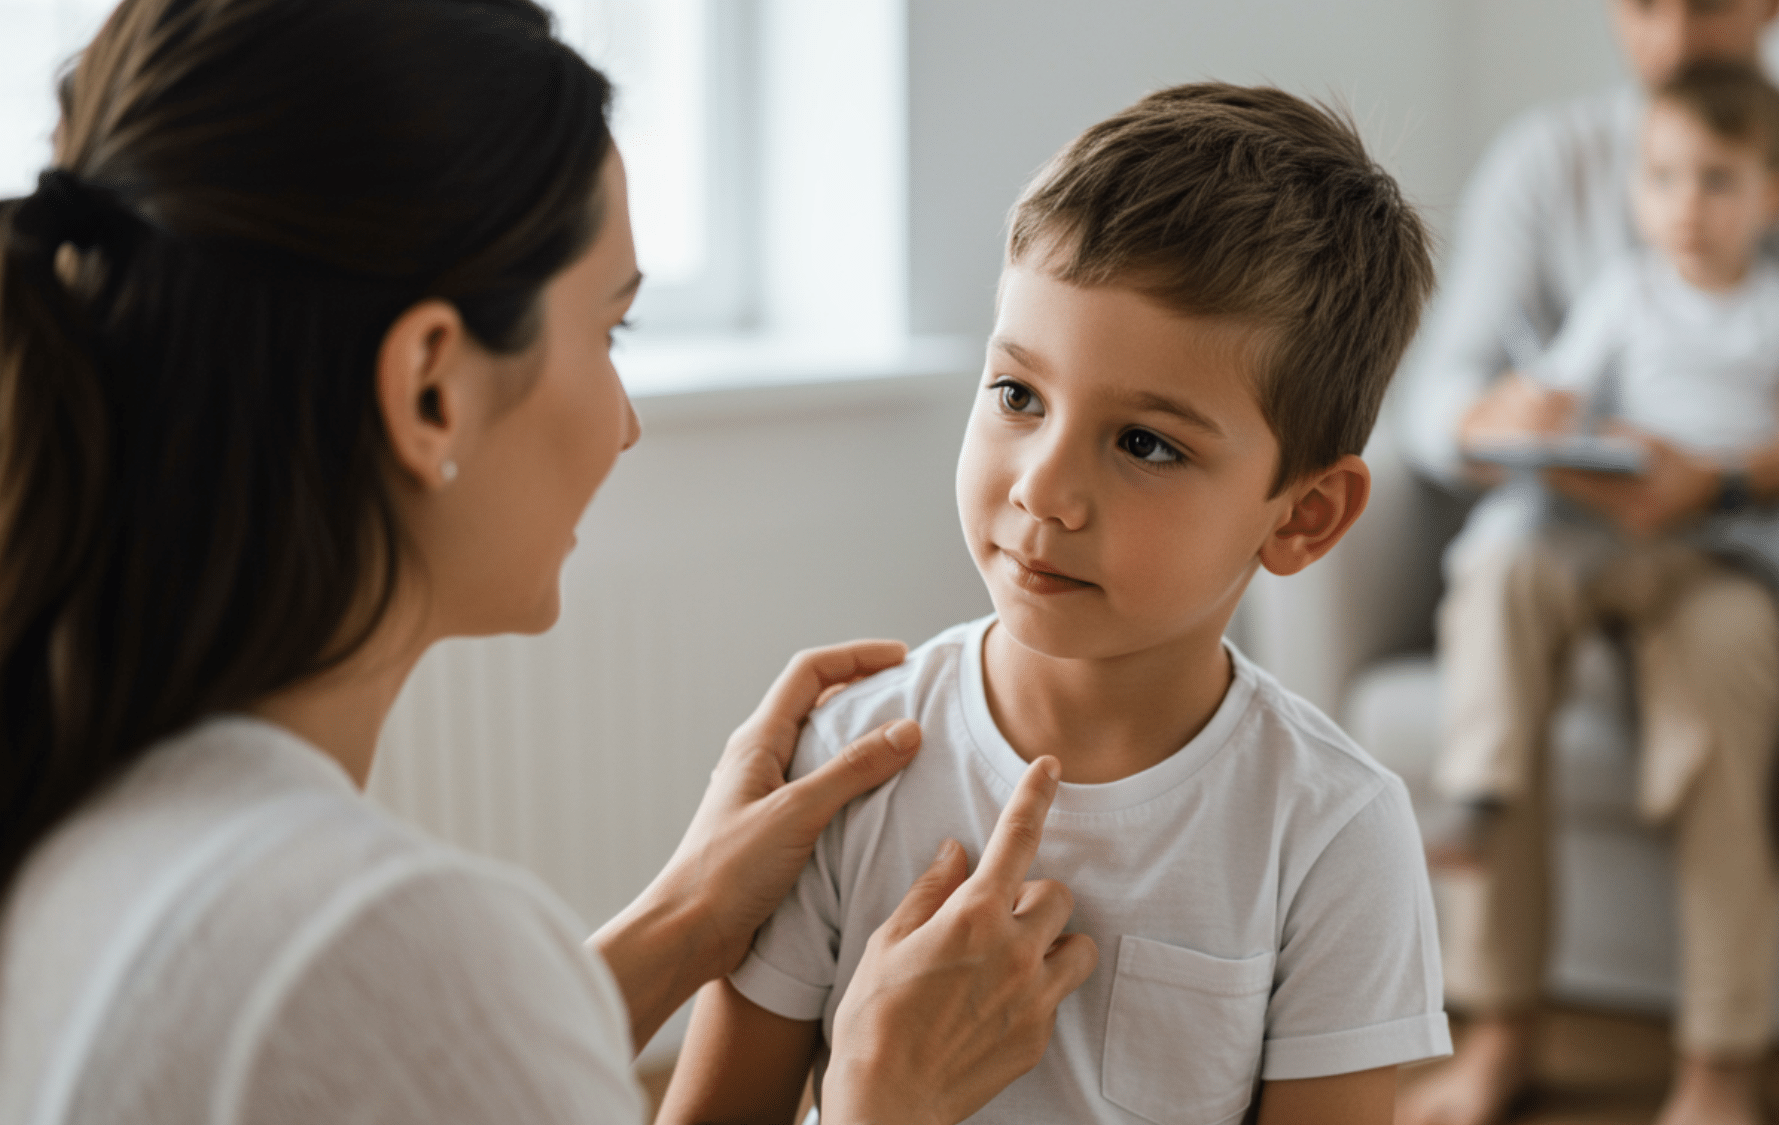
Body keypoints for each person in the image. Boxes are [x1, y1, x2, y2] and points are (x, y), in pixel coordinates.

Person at [0, 2, 1095, 1122]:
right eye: (609, 330)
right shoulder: (367, 948)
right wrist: (879, 1099)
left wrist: (681, 920)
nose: (623, 423)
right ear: (432, 387)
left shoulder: (85, 798)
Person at [659, 84, 1450, 1125]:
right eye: (1016, 396)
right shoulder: (841, 766)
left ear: (1301, 517)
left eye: (1144, 444)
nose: (1040, 488)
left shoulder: (1333, 832)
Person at [1395, 2, 1779, 1124]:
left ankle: (1717, 1068)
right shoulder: (1548, 167)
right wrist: (1519, 424)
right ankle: (1498, 1024)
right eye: (1640, 5)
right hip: (1570, 524)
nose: (1668, 39)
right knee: (1497, 572)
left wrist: (1728, 477)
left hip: (1733, 553)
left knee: (1727, 669)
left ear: (1771, 8)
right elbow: (1441, 401)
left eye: (1702, 1)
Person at [1432, 59, 1779, 869]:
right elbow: (1560, 387)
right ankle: (1476, 784)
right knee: (1504, 530)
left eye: (1716, 181)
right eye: (1663, 178)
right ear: (1635, 188)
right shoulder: (1623, 293)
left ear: (1772, 198)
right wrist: (1532, 408)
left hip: (1752, 508)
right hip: (1621, 503)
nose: (1687, 205)